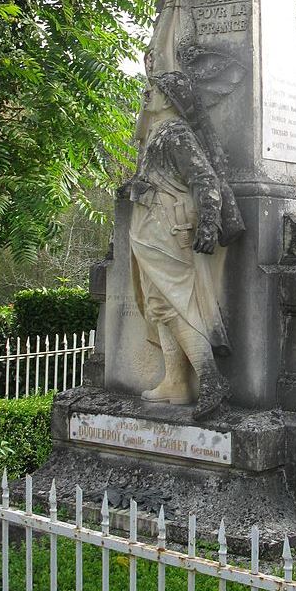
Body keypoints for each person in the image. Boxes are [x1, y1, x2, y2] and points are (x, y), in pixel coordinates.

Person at [120, 71, 238, 419]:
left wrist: (208, 220)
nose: (145, 95)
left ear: (168, 98)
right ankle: (175, 381)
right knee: (158, 305)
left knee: (174, 305)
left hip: (167, 228)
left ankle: (210, 378)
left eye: (151, 90)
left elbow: (204, 177)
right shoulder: (157, 134)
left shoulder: (175, 133)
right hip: (150, 228)